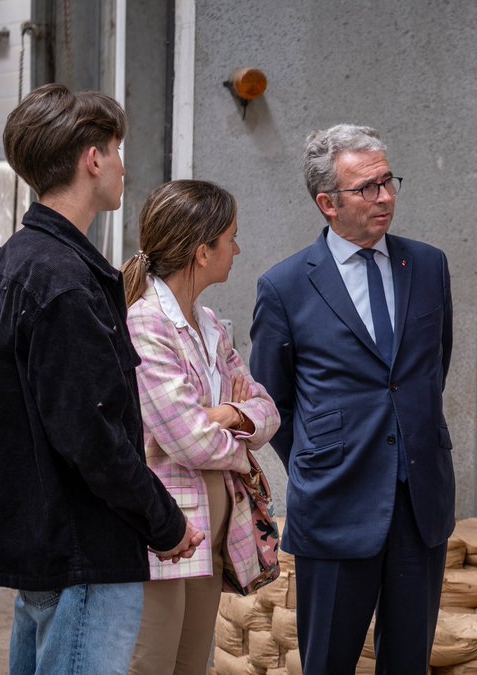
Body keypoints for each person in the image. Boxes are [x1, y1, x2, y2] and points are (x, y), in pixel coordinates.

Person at [0, 84, 203, 674]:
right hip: (83, 552)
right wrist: (163, 520)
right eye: (117, 150)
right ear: (92, 158)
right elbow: (91, 434)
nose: (124, 168)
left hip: (46, 543)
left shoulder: (17, 260)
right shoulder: (64, 281)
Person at [250, 124, 454, 674]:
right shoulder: (286, 286)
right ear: (327, 204)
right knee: (328, 664)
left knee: (408, 663)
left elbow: (432, 370)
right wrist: (325, 453)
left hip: (420, 503)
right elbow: (273, 401)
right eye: (367, 187)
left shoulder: (429, 266)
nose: (385, 196)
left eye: (388, 181)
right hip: (336, 504)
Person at [121, 180, 280, 674]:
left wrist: (229, 415)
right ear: (201, 251)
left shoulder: (208, 323)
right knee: (154, 661)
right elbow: (186, 439)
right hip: (167, 529)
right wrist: (239, 439)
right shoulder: (146, 323)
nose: (237, 248)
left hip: (215, 526)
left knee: (192, 663)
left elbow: (267, 409)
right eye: (230, 237)